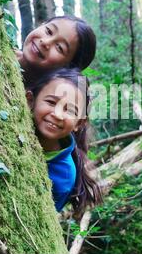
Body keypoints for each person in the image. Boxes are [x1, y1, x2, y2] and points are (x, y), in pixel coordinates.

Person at [26, 68, 102, 213]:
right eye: (51, 102)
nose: (58, 114)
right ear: (30, 100)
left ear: (78, 124)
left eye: (70, 111)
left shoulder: (64, 176)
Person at [17, 16, 96, 88]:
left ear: (68, 68)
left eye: (59, 47)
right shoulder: (6, 47)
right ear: (42, 25)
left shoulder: (38, 101)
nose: (45, 42)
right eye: (48, 31)